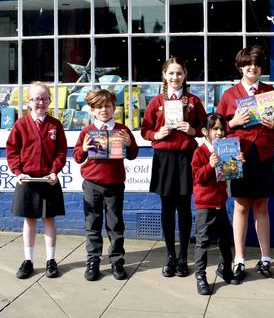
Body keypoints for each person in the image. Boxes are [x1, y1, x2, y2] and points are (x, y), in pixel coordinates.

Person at [216, 45, 274, 284]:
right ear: (240, 67)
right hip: (238, 156)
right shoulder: (229, 94)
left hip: (263, 154)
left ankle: (266, 258)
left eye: (256, 64)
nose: (252, 67)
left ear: (260, 68)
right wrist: (232, 122)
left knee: (262, 206)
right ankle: (240, 259)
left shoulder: (269, 91)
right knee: (241, 207)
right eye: (247, 64)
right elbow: (218, 128)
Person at [141, 57, 207, 278]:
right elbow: (145, 130)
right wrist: (156, 135)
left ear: (185, 74)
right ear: (164, 75)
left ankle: (182, 257)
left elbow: (204, 128)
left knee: (185, 208)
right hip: (164, 158)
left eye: (179, 73)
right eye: (171, 73)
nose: (175, 77)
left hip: (187, 157)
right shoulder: (156, 102)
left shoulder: (194, 102)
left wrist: (193, 131)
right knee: (167, 209)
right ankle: (169, 256)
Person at [73, 89, 138, 281]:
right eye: (99, 107)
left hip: (115, 184)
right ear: (92, 110)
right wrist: (84, 148)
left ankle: (117, 260)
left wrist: (128, 143)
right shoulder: (87, 131)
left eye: (107, 106)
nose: (104, 110)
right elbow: (77, 157)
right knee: (92, 223)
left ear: (114, 108)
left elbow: (133, 154)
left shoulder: (121, 129)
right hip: (92, 184)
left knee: (115, 224)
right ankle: (93, 261)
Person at [6, 81, 67, 279]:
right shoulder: (20, 124)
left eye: (44, 98)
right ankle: (28, 260)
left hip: (48, 180)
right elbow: (12, 151)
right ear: (28, 101)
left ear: (49, 100)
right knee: (29, 220)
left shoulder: (55, 125)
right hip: (27, 180)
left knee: (49, 219)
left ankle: (51, 260)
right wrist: (17, 172)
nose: (40, 102)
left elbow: (61, 151)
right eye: (36, 99)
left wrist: (55, 171)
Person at [192, 113, 244, 295]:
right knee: (203, 241)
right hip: (204, 204)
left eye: (222, 129)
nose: (220, 133)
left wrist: (237, 163)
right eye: (215, 129)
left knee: (225, 239)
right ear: (205, 131)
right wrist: (209, 165)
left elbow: (230, 174)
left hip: (220, 202)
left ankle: (225, 269)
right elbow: (198, 178)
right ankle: (200, 275)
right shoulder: (200, 152)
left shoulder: (226, 149)